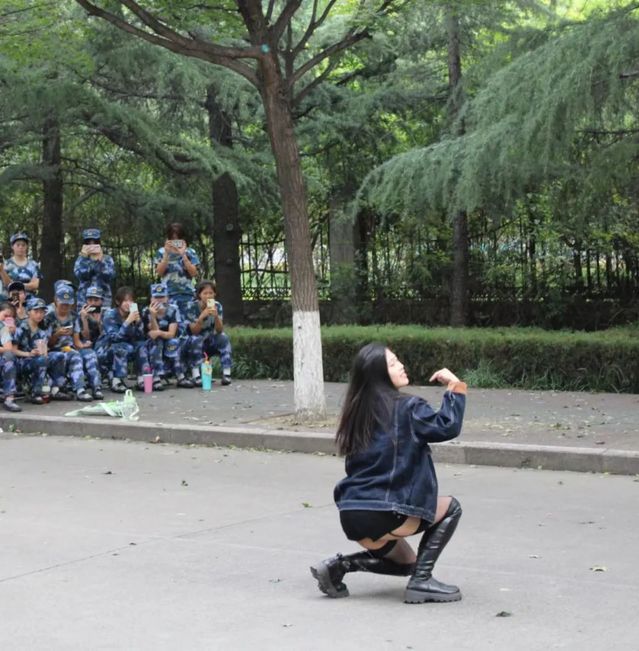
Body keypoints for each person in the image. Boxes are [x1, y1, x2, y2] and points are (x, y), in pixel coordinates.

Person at [310, 343, 467, 604]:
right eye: (393, 363)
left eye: (397, 360)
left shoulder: (355, 413)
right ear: (378, 373)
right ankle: (422, 581)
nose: (401, 365)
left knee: (408, 563)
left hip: (352, 514)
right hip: (387, 511)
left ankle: (339, 566)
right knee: (451, 507)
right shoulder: (408, 407)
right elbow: (446, 426)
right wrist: (455, 388)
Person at [96, 286, 154, 393]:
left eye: (131, 301)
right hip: (106, 350)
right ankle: (117, 380)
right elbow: (115, 338)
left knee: (142, 345)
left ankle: (142, 379)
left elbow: (140, 337)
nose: (129, 304)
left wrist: (138, 322)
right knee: (122, 346)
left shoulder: (133, 314)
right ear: (118, 302)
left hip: (127, 347)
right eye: (125, 301)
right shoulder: (110, 315)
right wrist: (127, 322)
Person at [43, 284, 93, 402]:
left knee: (75, 355)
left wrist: (84, 345)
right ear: (56, 300)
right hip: (52, 350)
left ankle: (80, 389)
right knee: (61, 356)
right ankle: (58, 388)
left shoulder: (73, 316)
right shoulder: (48, 317)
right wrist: (57, 334)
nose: (65, 306)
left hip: (67, 348)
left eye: (68, 303)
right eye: (63, 303)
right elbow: (46, 344)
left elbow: (76, 341)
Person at [13, 297, 65, 405]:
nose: (39, 315)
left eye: (42, 312)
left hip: (37, 359)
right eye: (36, 311)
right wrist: (29, 354)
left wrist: (44, 353)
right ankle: (36, 393)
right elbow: (13, 350)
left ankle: (56, 388)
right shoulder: (21, 328)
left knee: (59, 356)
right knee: (41, 360)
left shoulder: (42, 331)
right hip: (21, 361)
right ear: (28, 312)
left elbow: (44, 351)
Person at [181, 280, 232, 386]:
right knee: (196, 339)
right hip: (192, 344)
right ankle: (196, 375)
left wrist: (216, 317)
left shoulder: (217, 306)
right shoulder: (191, 307)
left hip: (208, 341)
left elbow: (219, 330)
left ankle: (226, 374)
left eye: (211, 293)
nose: (208, 296)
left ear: (214, 294)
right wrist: (201, 317)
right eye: (205, 293)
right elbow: (194, 331)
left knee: (223, 337)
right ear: (199, 295)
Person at [142, 283, 193, 388]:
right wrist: (153, 316)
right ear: (151, 299)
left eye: (162, 297)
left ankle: (180, 376)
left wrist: (159, 333)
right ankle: (156, 377)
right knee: (157, 343)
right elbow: (153, 334)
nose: (159, 300)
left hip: (169, 339)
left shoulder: (173, 309)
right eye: (156, 297)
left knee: (173, 342)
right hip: (152, 342)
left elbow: (171, 334)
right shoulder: (146, 311)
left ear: (167, 298)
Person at [154, 223, 200, 316]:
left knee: (188, 320)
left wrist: (183, 254)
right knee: (171, 320)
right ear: (168, 239)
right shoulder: (161, 252)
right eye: (172, 239)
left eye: (178, 239)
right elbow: (159, 272)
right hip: (167, 293)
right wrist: (166, 254)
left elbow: (194, 273)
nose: (175, 242)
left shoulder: (190, 252)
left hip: (187, 292)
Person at [73, 284, 105, 399]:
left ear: (101, 301)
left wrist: (99, 323)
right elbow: (85, 337)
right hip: (86, 345)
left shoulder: (106, 313)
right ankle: (95, 387)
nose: (92, 303)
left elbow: (105, 336)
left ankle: (98, 387)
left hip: (102, 345)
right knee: (90, 354)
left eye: (96, 300)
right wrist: (84, 320)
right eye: (90, 300)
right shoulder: (81, 314)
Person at [73, 228, 116, 308]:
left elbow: (109, 276)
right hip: (84, 300)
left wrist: (100, 261)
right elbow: (80, 275)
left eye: (94, 243)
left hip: (104, 299)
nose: (91, 246)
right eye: (88, 243)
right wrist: (84, 258)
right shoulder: (81, 259)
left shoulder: (107, 259)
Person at [2, 232, 41, 298]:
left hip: (29, 300)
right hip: (10, 299)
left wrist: (17, 285)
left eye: (23, 245)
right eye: (18, 245)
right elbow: (6, 284)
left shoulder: (33, 265)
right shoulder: (5, 265)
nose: (21, 247)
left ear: (27, 246)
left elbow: (35, 285)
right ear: (12, 246)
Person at [0, 302, 21, 412]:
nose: (6, 319)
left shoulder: (3, 329)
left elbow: (8, 348)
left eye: (10, 317)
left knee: (9, 358)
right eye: (5, 315)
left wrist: (9, 332)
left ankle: (9, 398)